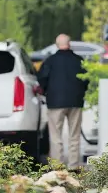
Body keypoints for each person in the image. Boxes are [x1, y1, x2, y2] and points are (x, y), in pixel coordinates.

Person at [38, 34, 88, 170]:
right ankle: (73, 166)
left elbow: (41, 79)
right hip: (75, 102)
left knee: (55, 136)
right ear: (69, 44)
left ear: (56, 45)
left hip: (55, 103)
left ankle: (57, 167)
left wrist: (45, 91)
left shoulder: (50, 61)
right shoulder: (79, 60)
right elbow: (86, 80)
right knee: (74, 136)